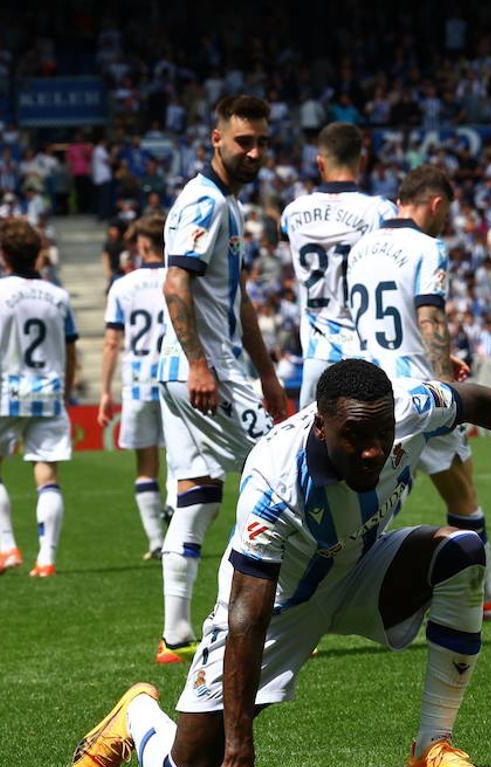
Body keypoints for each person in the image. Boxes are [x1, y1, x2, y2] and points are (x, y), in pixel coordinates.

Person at [68, 359, 491, 767]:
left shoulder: (406, 409)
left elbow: (474, 400)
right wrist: (241, 753)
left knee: (462, 553)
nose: (373, 452)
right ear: (320, 428)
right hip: (280, 606)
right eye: (355, 438)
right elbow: (248, 614)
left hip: (360, 568)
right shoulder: (274, 480)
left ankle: (432, 748)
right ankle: (136, 716)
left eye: (381, 436)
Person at [346, 164, 491, 618]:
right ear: (436, 204)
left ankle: (316, 596)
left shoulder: (361, 249)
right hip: (418, 390)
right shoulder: (428, 247)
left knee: (363, 504)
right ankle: (482, 596)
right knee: (462, 487)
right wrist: (447, 383)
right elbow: (429, 316)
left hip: (370, 385)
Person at [155, 95, 290, 664]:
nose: (255, 153)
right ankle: (273, 620)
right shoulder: (206, 202)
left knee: (199, 494)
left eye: (262, 143)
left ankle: (175, 634)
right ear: (216, 139)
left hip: (188, 372)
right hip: (202, 372)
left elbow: (238, 302)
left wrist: (270, 377)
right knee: (284, 478)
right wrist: (199, 364)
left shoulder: (228, 206)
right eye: (244, 142)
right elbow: (174, 285)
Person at [0, 217, 78, 578]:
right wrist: (65, 390)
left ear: (3, 254)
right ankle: (46, 559)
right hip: (48, 392)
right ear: (38, 255)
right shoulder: (58, 295)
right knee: (46, 475)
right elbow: (71, 350)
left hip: (7, 392)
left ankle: (7, 547)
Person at [279, 122, 396, 407]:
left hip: (318, 355)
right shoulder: (380, 212)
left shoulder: (293, 213)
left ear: (320, 163)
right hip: (367, 352)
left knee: (311, 447)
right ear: (363, 160)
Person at [99, 212, 171, 561]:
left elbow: (112, 342)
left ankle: (156, 540)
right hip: (175, 379)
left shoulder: (123, 285)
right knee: (181, 456)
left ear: (142, 245)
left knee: (145, 462)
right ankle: (174, 505)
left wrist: (103, 393)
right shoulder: (181, 278)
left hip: (139, 383)